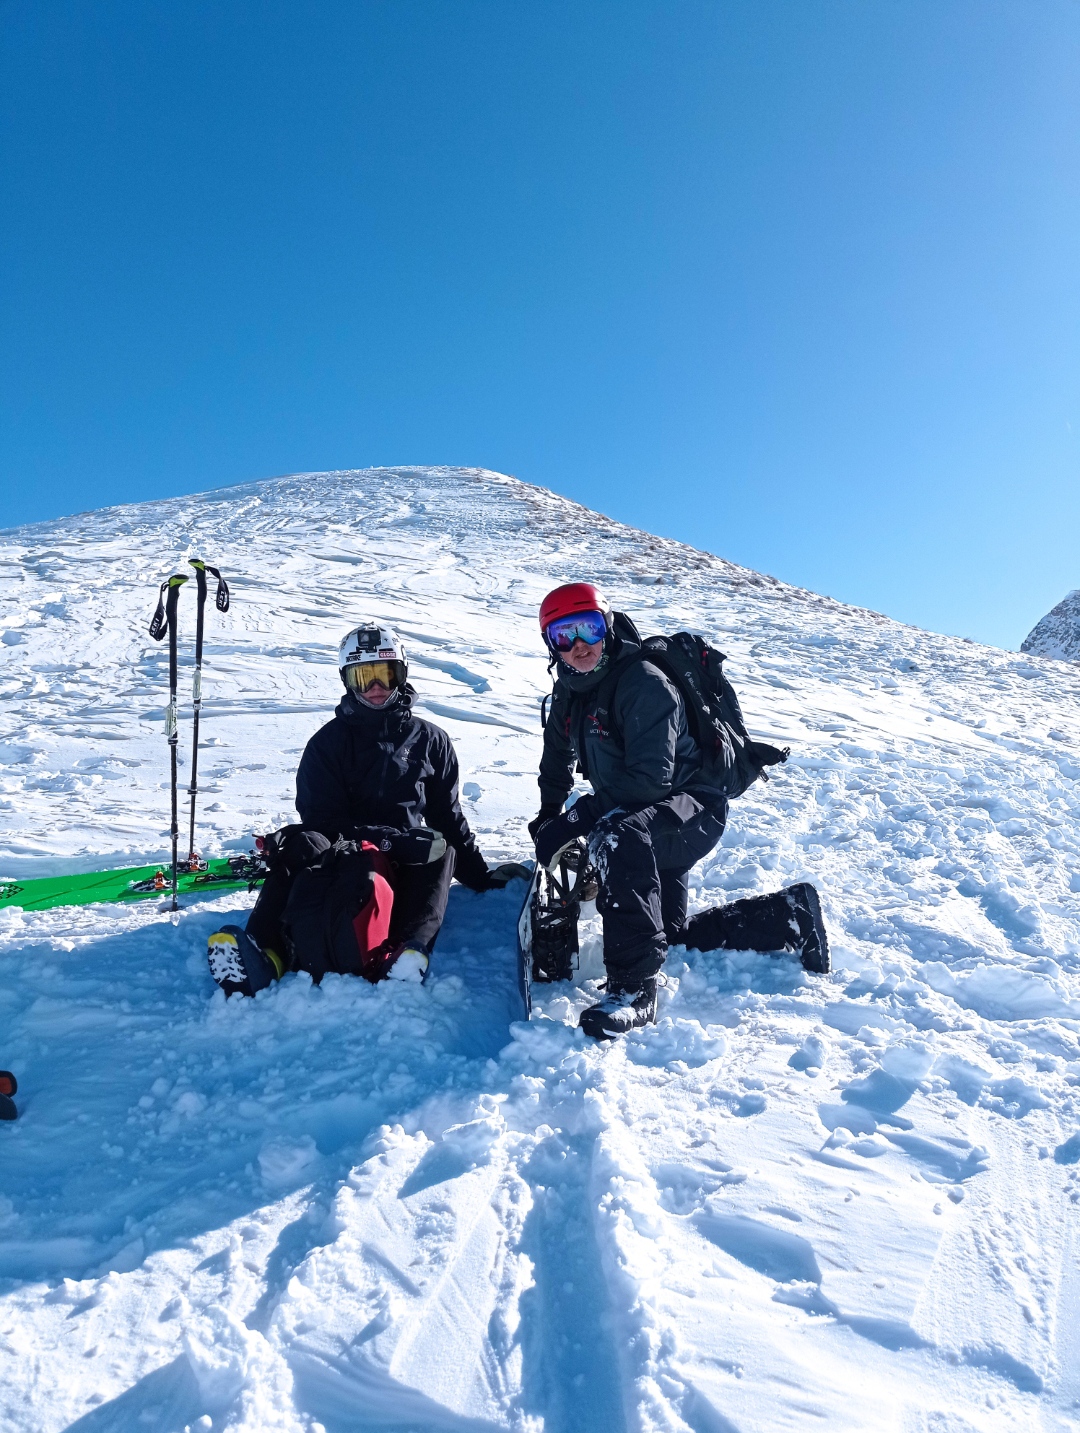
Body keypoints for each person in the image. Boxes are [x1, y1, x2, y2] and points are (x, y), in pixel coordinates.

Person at [529, 583, 829, 1040]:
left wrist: (576, 820)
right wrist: (550, 816)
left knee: (614, 835)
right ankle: (791, 914)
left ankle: (633, 992)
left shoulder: (644, 683)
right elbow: (555, 762)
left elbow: (649, 782)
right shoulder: (569, 693)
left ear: (606, 627)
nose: (578, 646)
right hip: (644, 820)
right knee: (666, 934)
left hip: (692, 809)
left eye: (587, 629)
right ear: (550, 644)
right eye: (562, 635)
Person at [209, 623, 522, 995]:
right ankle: (263, 954)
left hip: (405, 862)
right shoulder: (327, 744)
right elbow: (321, 820)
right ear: (347, 681)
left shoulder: (431, 741)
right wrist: (386, 841)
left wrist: (479, 876)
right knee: (301, 844)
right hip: (341, 853)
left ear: (401, 675)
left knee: (440, 848)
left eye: (385, 675)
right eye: (363, 677)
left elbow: (447, 816)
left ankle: (406, 954)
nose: (375, 687)